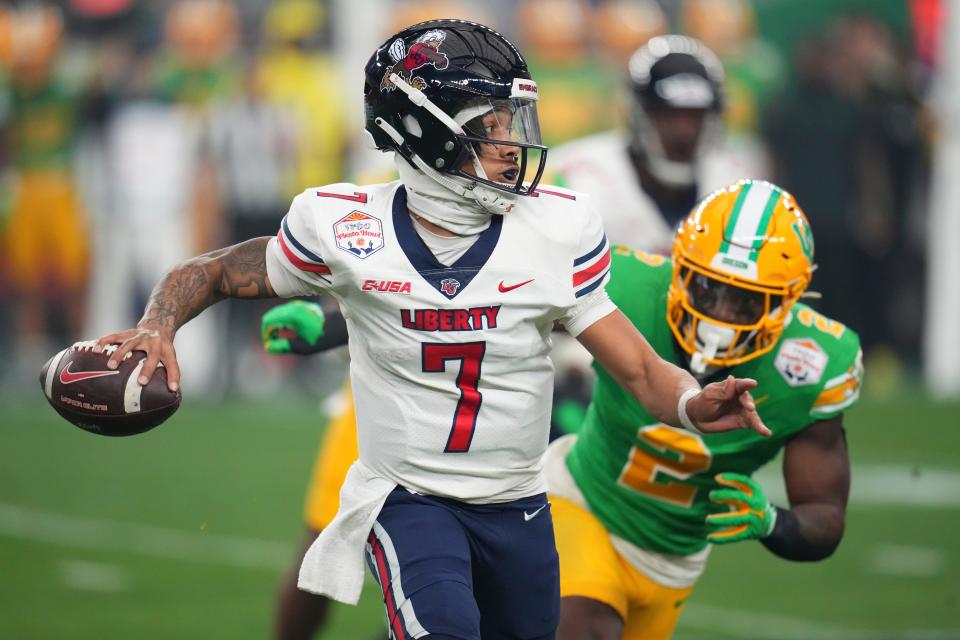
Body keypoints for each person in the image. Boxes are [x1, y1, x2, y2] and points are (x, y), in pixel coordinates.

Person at [96, 20, 769, 640]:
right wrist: (158, 325)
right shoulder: (345, 225)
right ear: (426, 132)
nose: (515, 144)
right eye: (494, 125)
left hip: (520, 506)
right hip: (408, 498)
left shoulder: (556, 228)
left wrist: (691, 403)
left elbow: (641, 370)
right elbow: (214, 270)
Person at [545, 180, 861, 640]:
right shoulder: (626, 285)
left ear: (788, 299)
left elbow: (825, 517)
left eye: (746, 300)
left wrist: (774, 523)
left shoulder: (814, 364)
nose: (719, 313)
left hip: (672, 561)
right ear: (680, 267)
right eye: (707, 287)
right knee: (586, 629)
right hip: (580, 502)